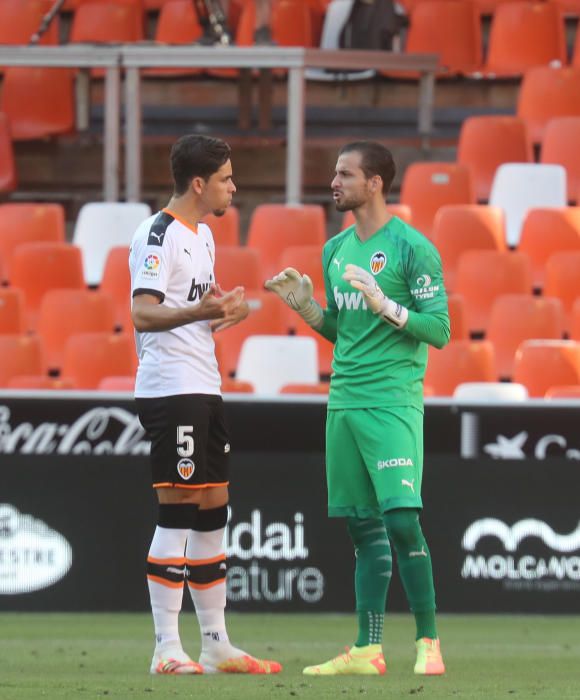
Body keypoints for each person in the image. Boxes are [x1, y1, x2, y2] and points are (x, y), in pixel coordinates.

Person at [265, 141, 450, 677]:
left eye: (345, 173)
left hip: (392, 403)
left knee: (402, 520)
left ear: (375, 183)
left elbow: (439, 330)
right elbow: (342, 334)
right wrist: (306, 309)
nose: (334, 181)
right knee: (363, 528)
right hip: (343, 401)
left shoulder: (414, 249)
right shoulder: (334, 250)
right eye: (335, 173)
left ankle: (428, 641)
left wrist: (388, 305)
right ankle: (368, 651)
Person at [129, 134, 282, 676]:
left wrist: (226, 311)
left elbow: (200, 306)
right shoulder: (158, 234)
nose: (232, 187)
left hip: (205, 384)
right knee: (178, 512)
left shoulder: (205, 236)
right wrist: (200, 315)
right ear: (199, 183)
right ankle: (166, 647)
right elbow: (144, 314)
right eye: (226, 178)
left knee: (213, 509)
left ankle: (216, 642)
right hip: (172, 389)